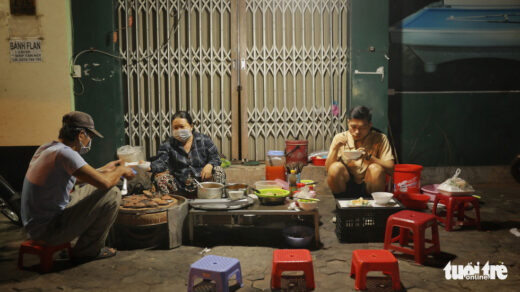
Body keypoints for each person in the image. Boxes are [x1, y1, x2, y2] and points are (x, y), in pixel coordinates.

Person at [21, 111, 135, 262]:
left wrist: (104, 170)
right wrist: (121, 170)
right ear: (81, 135)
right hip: (49, 231)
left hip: (34, 226)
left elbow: (71, 179)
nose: (89, 141)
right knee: (112, 192)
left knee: (96, 187)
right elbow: (105, 183)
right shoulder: (67, 154)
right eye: (90, 137)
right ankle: (87, 250)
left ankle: (83, 246)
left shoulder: (47, 148)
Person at [150, 111, 225, 197]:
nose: (179, 130)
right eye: (175, 128)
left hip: (203, 184)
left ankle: (216, 200)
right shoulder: (167, 144)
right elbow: (161, 162)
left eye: (182, 127)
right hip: (179, 186)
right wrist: (149, 166)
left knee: (219, 170)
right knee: (161, 178)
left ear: (191, 127)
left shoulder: (204, 140)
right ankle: (173, 204)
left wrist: (210, 165)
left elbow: (215, 157)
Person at [325, 106, 394, 197]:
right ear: (348, 122)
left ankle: (373, 206)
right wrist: (335, 148)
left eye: (362, 128)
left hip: (368, 184)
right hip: (346, 184)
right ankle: (340, 203)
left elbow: (391, 169)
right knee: (335, 168)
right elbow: (328, 169)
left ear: (370, 125)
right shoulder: (340, 138)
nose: (357, 132)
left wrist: (370, 157)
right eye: (353, 127)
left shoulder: (380, 138)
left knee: (376, 169)